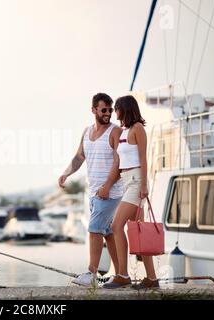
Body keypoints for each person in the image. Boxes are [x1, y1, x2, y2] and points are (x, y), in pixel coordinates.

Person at [58, 93, 123, 287]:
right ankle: (121, 274)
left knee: (94, 229)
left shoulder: (115, 131)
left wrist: (107, 186)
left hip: (110, 193)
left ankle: (91, 274)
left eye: (110, 110)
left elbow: (119, 162)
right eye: (104, 110)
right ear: (93, 109)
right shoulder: (87, 132)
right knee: (108, 233)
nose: (108, 113)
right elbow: (79, 157)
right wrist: (66, 173)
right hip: (94, 193)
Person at [102, 95, 159, 289]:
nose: (114, 112)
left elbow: (143, 160)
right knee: (139, 231)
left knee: (116, 225)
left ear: (124, 109)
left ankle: (123, 275)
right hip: (127, 181)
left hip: (136, 182)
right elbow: (121, 163)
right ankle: (152, 278)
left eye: (116, 108)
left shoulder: (138, 129)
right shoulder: (124, 131)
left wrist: (143, 186)